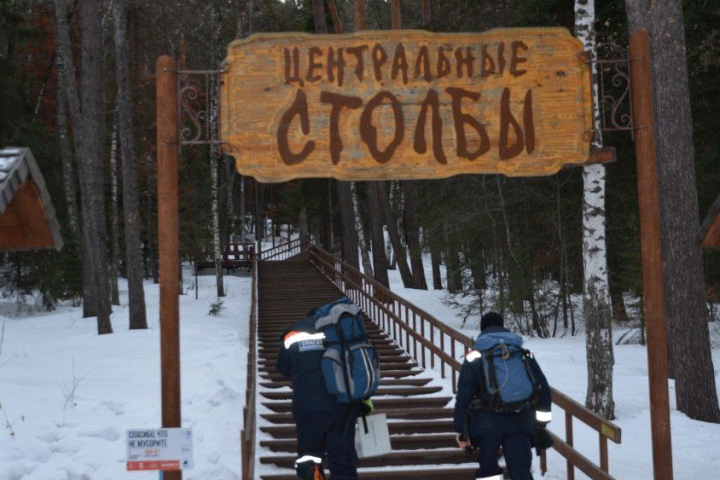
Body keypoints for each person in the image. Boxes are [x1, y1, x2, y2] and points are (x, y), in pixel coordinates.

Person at [453, 312, 552, 480]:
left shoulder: (475, 356)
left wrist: (460, 430)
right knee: (521, 471)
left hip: (486, 424)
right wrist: (541, 424)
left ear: (483, 329)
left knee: (488, 471)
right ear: (503, 326)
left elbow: (464, 395)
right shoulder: (522, 353)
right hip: (520, 420)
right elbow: (543, 389)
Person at [276, 305, 364, 480]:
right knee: (342, 464)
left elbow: (283, 368)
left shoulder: (293, 332)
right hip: (342, 409)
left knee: (310, 460)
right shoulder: (339, 330)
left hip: (307, 409)